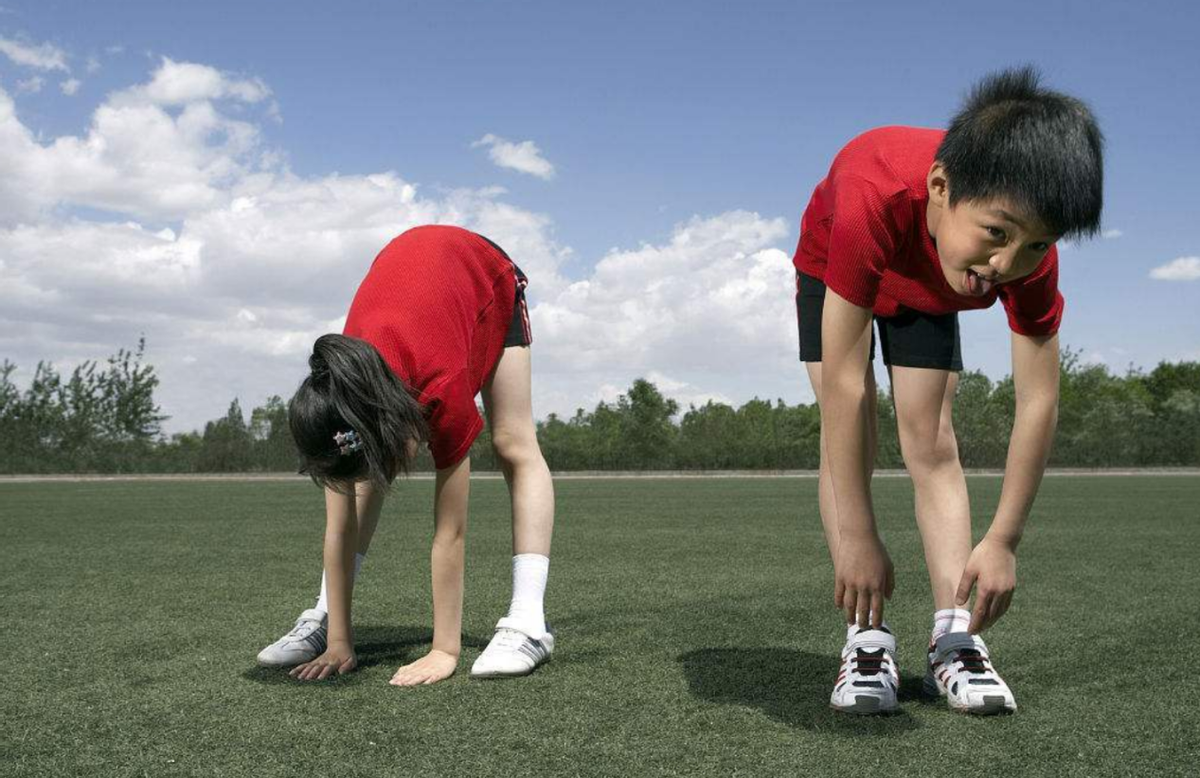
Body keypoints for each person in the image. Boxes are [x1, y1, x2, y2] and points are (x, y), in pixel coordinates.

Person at [793, 67, 1103, 714]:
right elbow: (848, 387)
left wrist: (1005, 538)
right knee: (850, 427)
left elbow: (1039, 396)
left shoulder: (1023, 251)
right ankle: (866, 637)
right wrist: (857, 535)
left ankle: (953, 639)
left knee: (930, 437)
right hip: (839, 265)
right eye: (998, 233)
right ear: (941, 187)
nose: (1008, 266)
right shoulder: (871, 192)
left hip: (930, 282)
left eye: (1036, 244)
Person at [256, 225, 557, 684]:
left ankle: (529, 623)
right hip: (415, 289)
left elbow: (449, 533)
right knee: (358, 478)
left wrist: (444, 650)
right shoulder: (339, 396)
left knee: (512, 442)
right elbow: (339, 526)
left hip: (484, 276)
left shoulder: (442, 388)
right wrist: (339, 641)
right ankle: (325, 614)